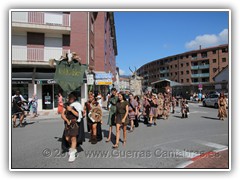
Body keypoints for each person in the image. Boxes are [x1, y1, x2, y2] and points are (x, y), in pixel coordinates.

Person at [61, 93, 85, 162]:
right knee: (67, 138)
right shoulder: (66, 105)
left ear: (74, 97)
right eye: (69, 97)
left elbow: (78, 115)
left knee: (73, 138)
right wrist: (66, 120)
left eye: (71, 97)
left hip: (74, 123)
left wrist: (71, 110)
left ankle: (72, 154)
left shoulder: (77, 104)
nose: (70, 98)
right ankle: (73, 149)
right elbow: (62, 115)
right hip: (68, 124)